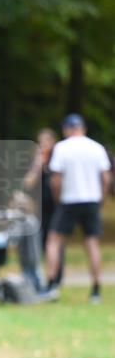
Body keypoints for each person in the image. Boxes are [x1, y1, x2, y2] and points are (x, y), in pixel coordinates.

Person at [43, 114, 111, 304]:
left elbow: (56, 180)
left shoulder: (62, 148)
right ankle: (96, 289)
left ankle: (51, 285)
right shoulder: (96, 148)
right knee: (91, 243)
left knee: (53, 241)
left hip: (69, 200)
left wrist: (58, 200)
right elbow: (106, 178)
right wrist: (100, 199)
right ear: (83, 128)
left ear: (66, 129)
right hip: (91, 200)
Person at [23, 127, 64, 285]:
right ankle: (41, 276)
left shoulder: (59, 161)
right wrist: (37, 165)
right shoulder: (37, 162)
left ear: (53, 142)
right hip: (39, 209)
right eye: (40, 142)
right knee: (40, 243)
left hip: (56, 207)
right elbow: (27, 184)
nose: (42, 145)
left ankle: (55, 278)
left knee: (55, 242)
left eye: (46, 142)